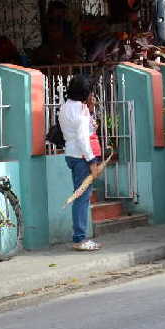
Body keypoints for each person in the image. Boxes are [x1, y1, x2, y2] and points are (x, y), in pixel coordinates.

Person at [58, 75, 101, 252]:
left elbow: (79, 131)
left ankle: (80, 236)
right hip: (82, 157)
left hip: (71, 154)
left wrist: (90, 111)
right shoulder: (81, 109)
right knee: (82, 198)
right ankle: (80, 238)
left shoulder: (65, 107)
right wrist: (92, 161)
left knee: (79, 196)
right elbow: (83, 138)